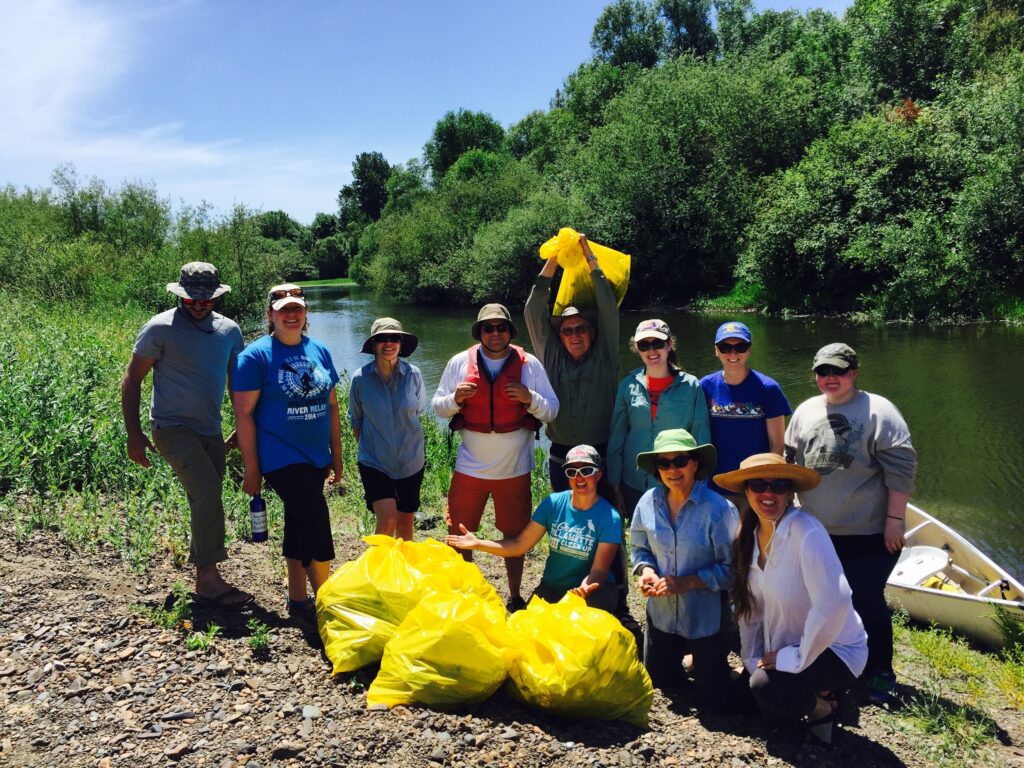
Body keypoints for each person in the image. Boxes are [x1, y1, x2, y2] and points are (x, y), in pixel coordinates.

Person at [784, 343, 916, 705]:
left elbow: (901, 472)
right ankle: (833, 663)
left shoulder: (879, 411)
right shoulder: (806, 410)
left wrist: (894, 521)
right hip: (816, 531)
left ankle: (881, 672)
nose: (830, 378)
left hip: (868, 532)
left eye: (838, 371)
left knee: (866, 600)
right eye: (823, 371)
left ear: (854, 373)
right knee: (820, 600)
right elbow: (790, 461)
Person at [121, 262, 250, 607]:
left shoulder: (229, 331)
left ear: (216, 298)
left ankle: (203, 571)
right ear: (180, 295)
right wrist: (134, 433)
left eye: (206, 300)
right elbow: (133, 379)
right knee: (207, 490)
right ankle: (208, 580)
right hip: (171, 427)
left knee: (205, 495)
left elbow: (236, 382)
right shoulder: (160, 328)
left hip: (210, 428)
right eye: (192, 299)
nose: (199, 305)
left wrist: (242, 424)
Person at [715, 453, 868, 745]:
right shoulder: (747, 536)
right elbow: (752, 613)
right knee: (732, 699)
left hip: (835, 648)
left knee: (764, 690)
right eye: (758, 485)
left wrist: (794, 658)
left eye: (779, 486)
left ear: (790, 494)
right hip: (788, 644)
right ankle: (813, 693)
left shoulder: (806, 531)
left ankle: (824, 707)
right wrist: (752, 660)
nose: (768, 493)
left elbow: (835, 601)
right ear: (747, 491)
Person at [432, 303, 559, 611]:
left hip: (514, 468)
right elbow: (437, 405)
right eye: (488, 328)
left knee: (514, 535)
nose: (495, 333)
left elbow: (552, 409)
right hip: (470, 466)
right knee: (458, 533)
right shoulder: (460, 362)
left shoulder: (529, 365)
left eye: (501, 327)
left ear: (510, 331)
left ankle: (514, 596)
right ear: (479, 332)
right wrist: (455, 399)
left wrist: (530, 399)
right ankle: (465, 594)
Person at [232, 284, 344, 628]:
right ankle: (325, 601)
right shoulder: (254, 357)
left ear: (306, 314)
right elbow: (244, 415)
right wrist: (252, 468)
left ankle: (298, 597)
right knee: (316, 521)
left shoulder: (320, 351)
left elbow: (332, 406)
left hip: (315, 456)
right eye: (283, 310)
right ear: (270, 315)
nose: (291, 315)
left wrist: (337, 456)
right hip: (280, 455)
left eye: (297, 308)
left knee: (297, 522)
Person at [629, 429, 738, 709]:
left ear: (695, 464)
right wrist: (647, 572)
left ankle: (716, 663)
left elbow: (733, 571)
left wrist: (687, 582)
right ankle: (692, 661)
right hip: (662, 616)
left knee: (714, 702)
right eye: (664, 464)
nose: (672, 469)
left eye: (679, 460)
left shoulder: (719, 509)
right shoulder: (647, 502)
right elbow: (639, 549)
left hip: (706, 618)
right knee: (661, 683)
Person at [446, 445, 621, 612]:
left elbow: (599, 571)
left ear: (598, 475)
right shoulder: (553, 504)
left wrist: (584, 590)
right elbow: (518, 545)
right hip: (552, 587)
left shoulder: (610, 517)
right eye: (572, 472)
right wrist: (478, 543)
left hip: (592, 592)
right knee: (527, 629)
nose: (579, 477)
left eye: (586, 471)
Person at [524, 233, 619, 493]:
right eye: (567, 331)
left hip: (601, 454)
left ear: (592, 333)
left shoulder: (605, 357)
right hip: (560, 455)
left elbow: (608, 308)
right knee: (566, 522)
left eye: (581, 329)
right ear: (560, 336)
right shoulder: (552, 357)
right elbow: (533, 311)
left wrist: (588, 255)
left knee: (604, 523)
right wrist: (556, 256)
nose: (574, 334)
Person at [608, 319, 711, 519]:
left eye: (658, 343)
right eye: (644, 345)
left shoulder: (691, 386)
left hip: (678, 478)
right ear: (637, 349)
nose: (651, 350)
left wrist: (700, 483)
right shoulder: (627, 385)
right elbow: (617, 437)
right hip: (634, 480)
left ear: (669, 344)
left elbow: (702, 435)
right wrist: (614, 482)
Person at [348, 317, 426, 541]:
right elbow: (357, 421)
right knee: (387, 521)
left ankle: (402, 574)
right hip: (375, 462)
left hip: (411, 461)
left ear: (401, 344)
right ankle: (376, 574)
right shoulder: (360, 379)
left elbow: (418, 410)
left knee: (405, 526)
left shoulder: (415, 375)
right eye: (382, 338)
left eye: (394, 338)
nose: (389, 343)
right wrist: (375, 448)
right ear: (373, 344)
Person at [699, 321, 791, 497]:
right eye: (725, 347)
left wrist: (766, 484)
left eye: (740, 346)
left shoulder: (768, 388)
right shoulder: (705, 386)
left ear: (749, 349)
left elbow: (777, 444)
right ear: (716, 350)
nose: (733, 353)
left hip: (755, 485)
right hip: (715, 484)